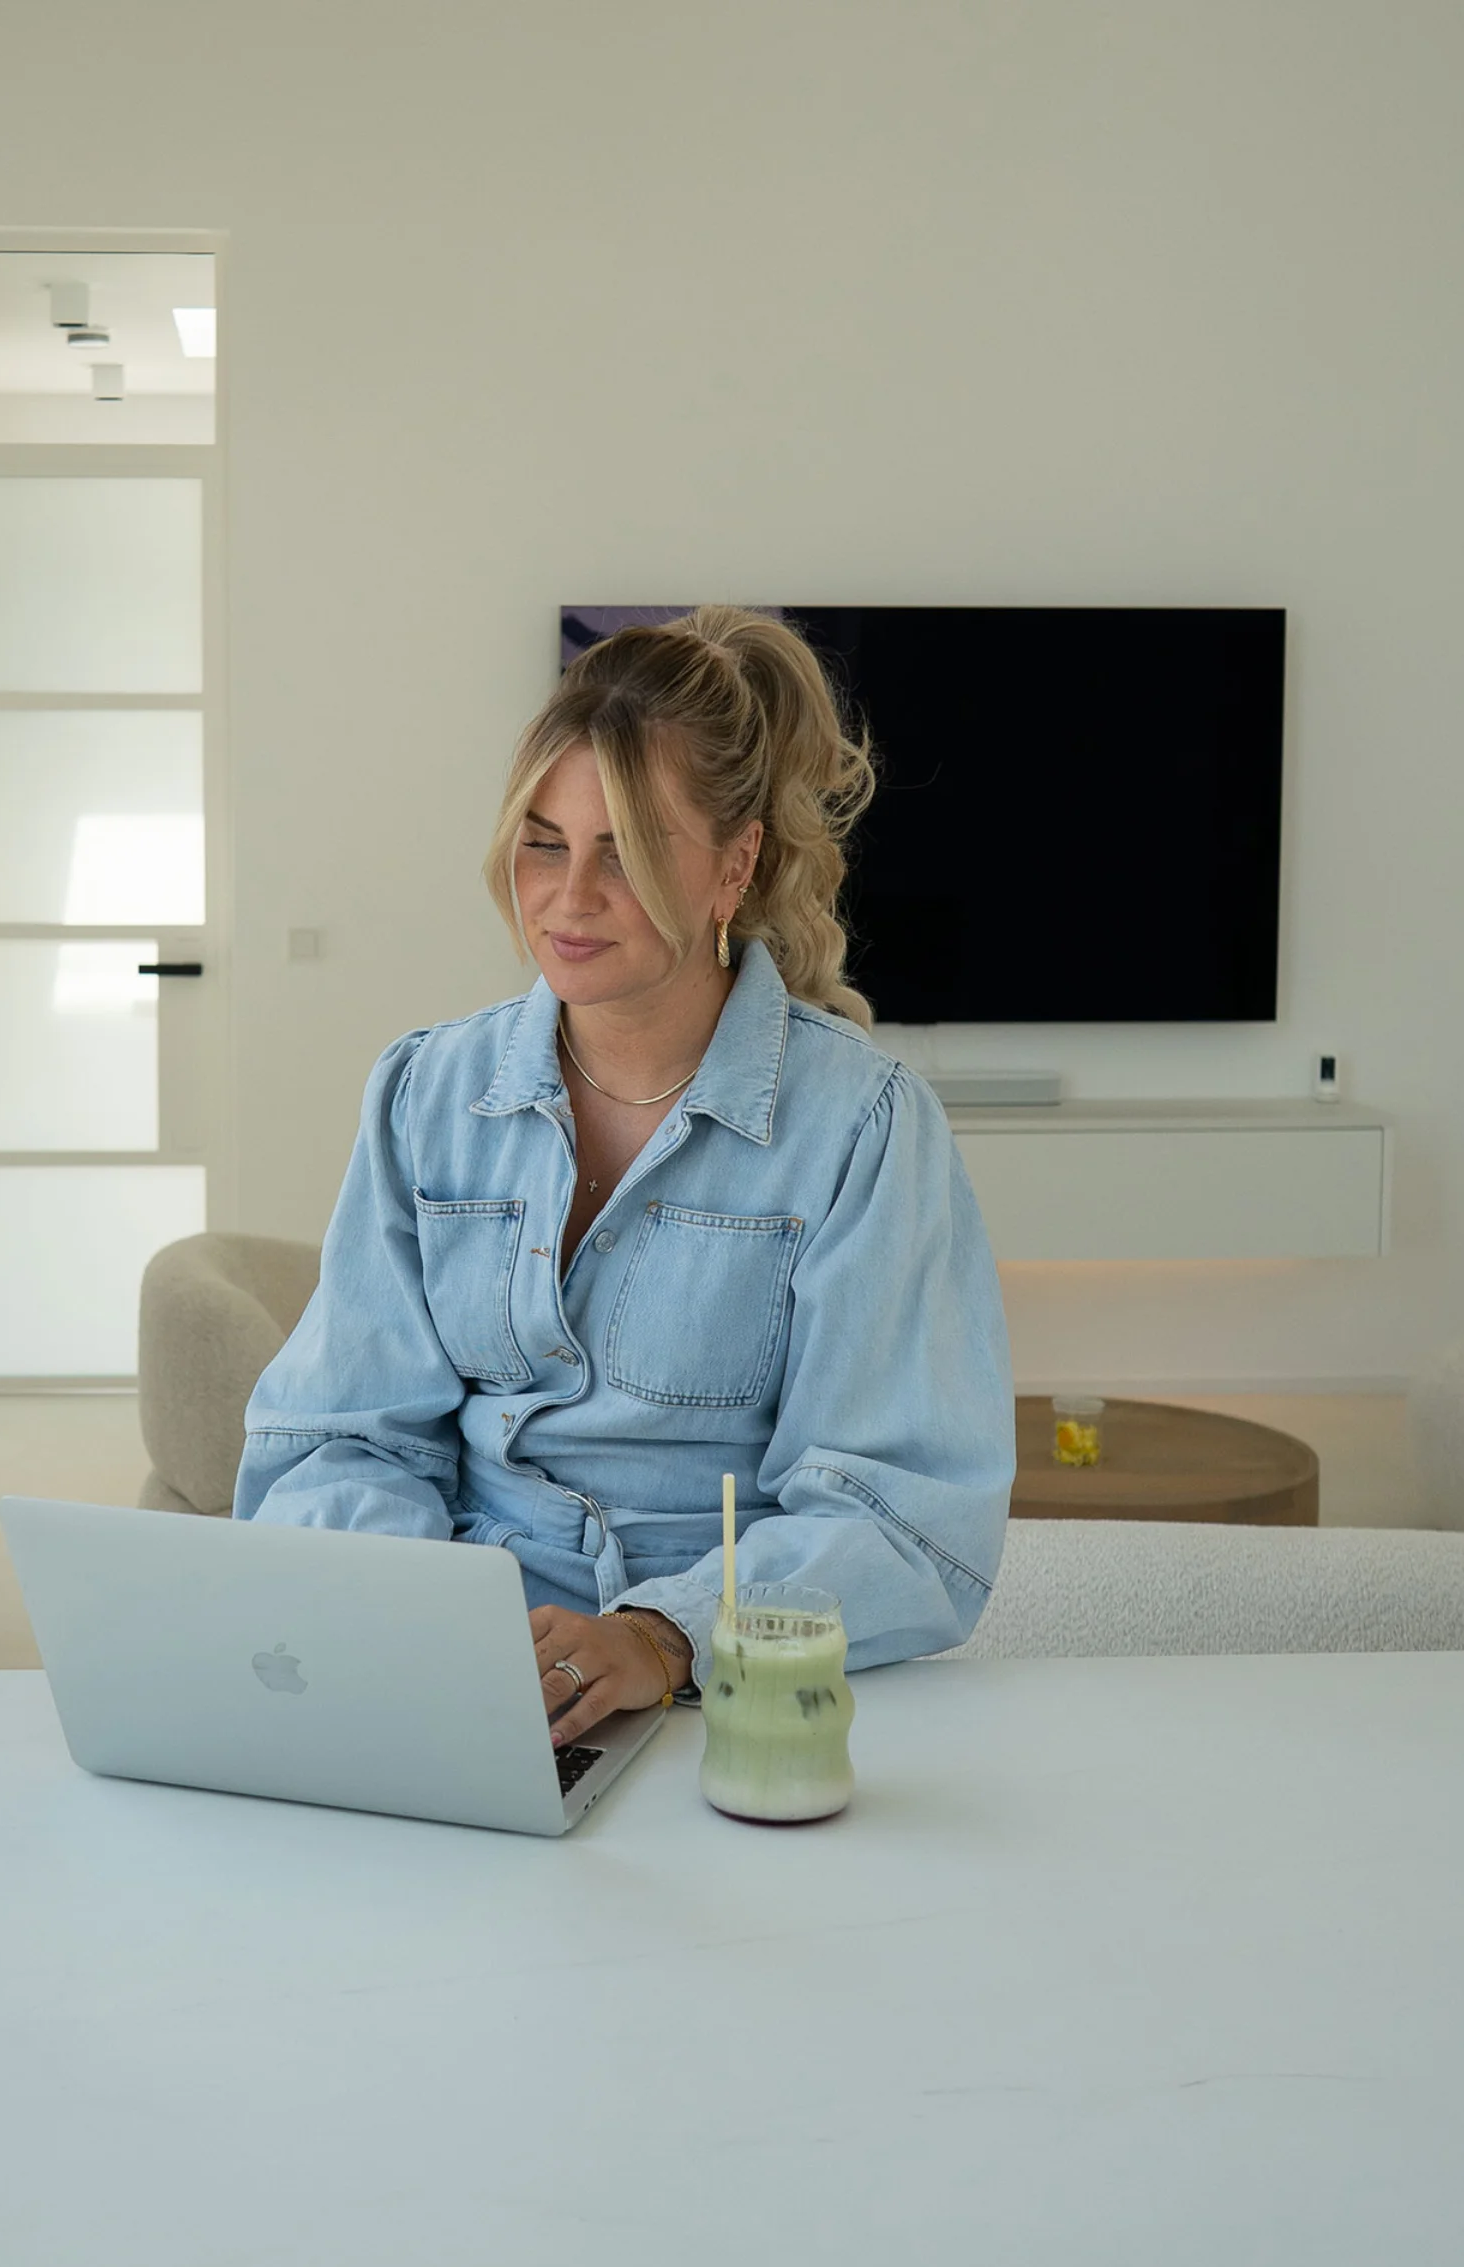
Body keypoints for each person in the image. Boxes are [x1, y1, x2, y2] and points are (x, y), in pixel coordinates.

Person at [233, 606, 1015, 1748]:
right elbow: (341, 1439)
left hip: (724, 1688)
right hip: (456, 1675)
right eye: (545, 843)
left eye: (629, 850)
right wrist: (425, 1628)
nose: (569, 897)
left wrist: (660, 1637)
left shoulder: (865, 1127)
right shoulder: (424, 1092)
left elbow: (906, 1515)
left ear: (735, 866)